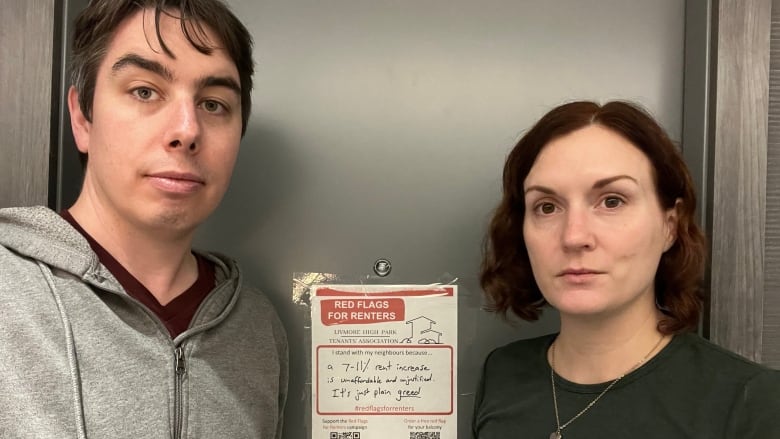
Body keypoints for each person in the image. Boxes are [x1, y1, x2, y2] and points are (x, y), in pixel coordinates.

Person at [0, 1, 287, 437]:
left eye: (213, 104)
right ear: (82, 117)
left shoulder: (258, 329)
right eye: (145, 91)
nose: (187, 130)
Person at [472, 100, 780, 438]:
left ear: (670, 226)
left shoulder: (751, 402)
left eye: (612, 201)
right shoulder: (502, 374)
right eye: (547, 207)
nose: (574, 236)